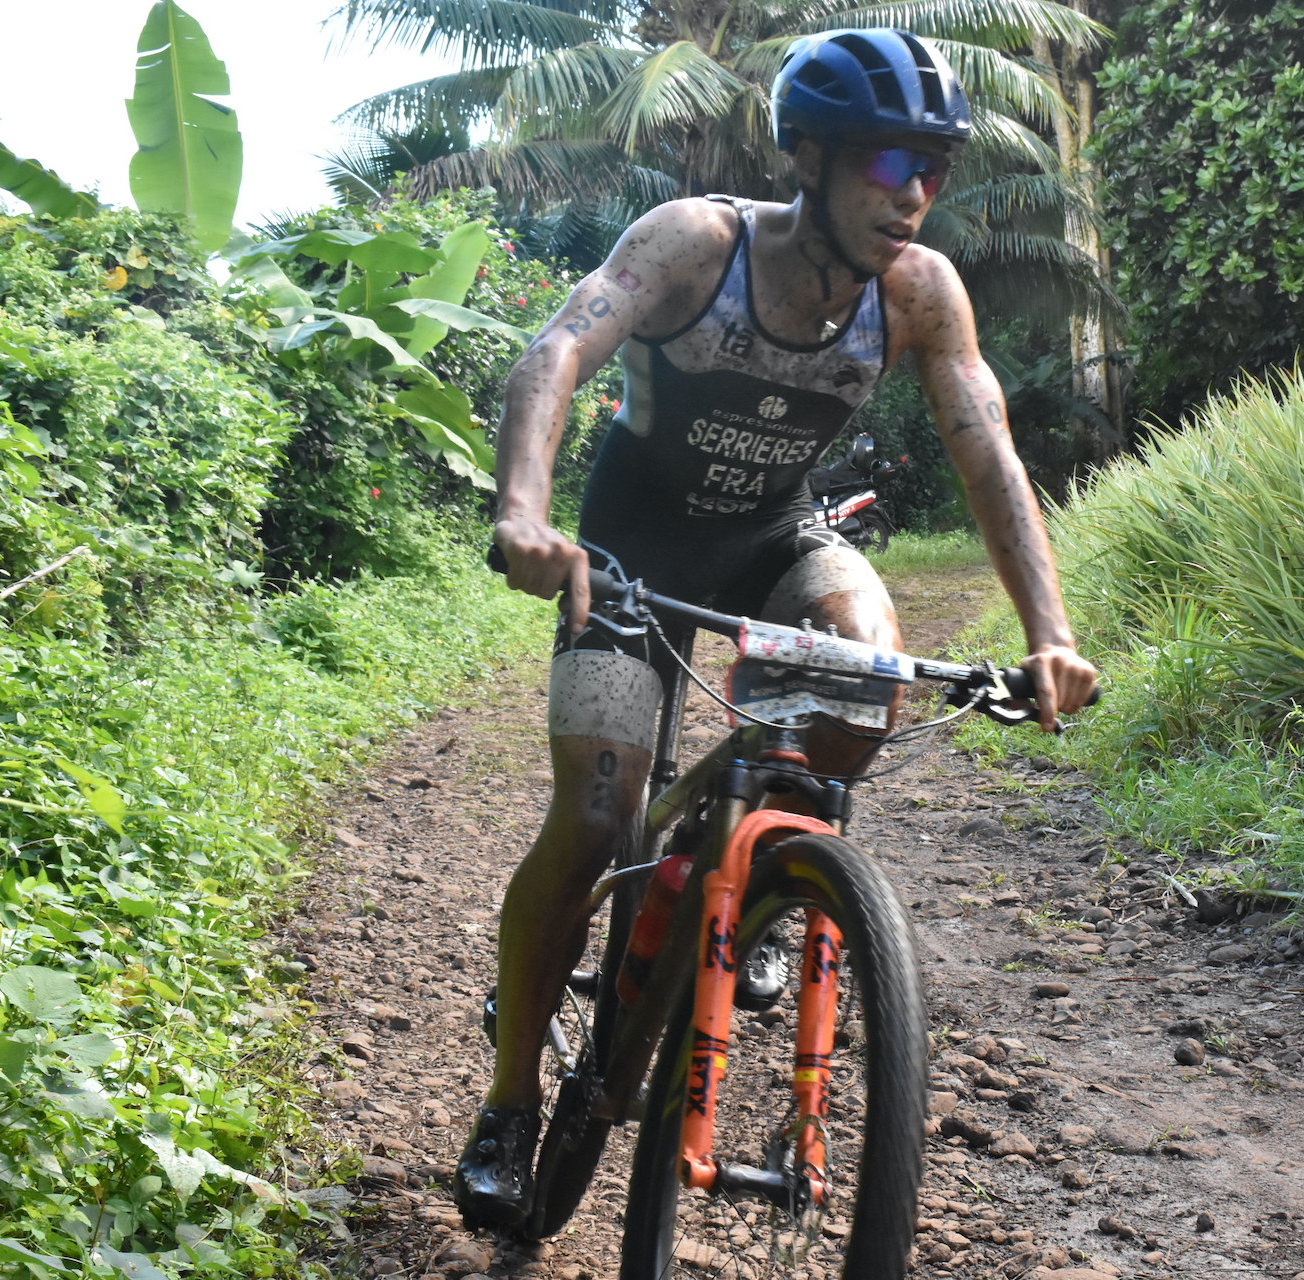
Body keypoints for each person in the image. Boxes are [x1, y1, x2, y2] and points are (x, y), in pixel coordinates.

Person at [455, 27, 1099, 1227]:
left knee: (864, 664)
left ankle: (755, 874)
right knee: (597, 812)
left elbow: (989, 455)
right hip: (630, 550)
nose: (911, 194)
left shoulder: (918, 292)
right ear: (808, 153)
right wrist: (525, 516)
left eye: (932, 169)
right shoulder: (699, 245)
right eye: (885, 162)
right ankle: (508, 1101)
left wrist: (1049, 632)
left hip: (773, 538)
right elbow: (557, 351)